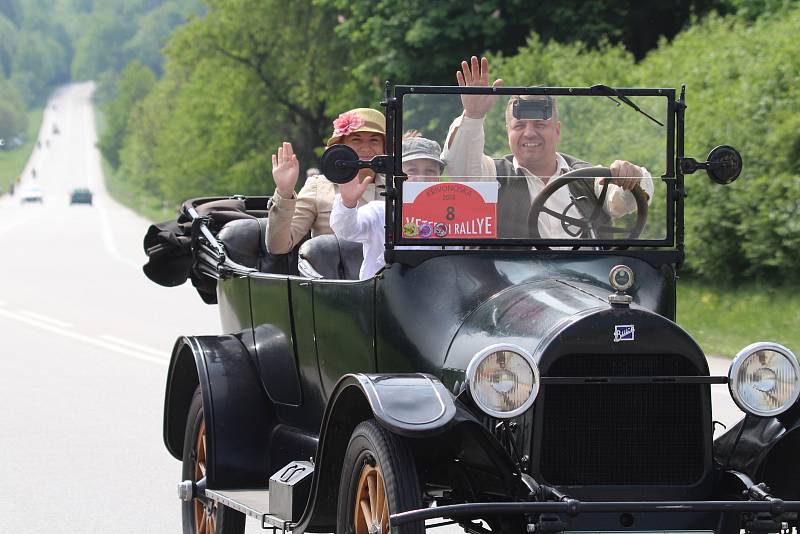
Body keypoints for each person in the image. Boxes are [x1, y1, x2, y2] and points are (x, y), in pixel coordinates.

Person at [441, 56, 654, 239]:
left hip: (586, 281)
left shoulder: (589, 178)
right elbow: (459, 167)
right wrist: (473, 115)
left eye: (540, 125)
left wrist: (630, 176)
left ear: (557, 130)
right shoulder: (493, 176)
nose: (530, 133)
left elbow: (625, 201)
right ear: (508, 132)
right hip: (513, 283)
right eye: (520, 125)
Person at [266, 108, 386, 254]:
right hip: (333, 274)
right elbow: (278, 246)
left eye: (374, 140)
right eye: (356, 139)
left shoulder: (395, 187)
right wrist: (284, 192)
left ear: (384, 148)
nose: (366, 148)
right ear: (341, 146)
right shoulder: (318, 187)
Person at [330, 137, 446, 279]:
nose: (421, 178)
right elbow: (346, 231)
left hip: (438, 295)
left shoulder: (449, 217)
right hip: (382, 295)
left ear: (439, 178)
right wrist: (348, 202)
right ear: (397, 175)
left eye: (429, 172)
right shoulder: (380, 212)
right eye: (412, 170)